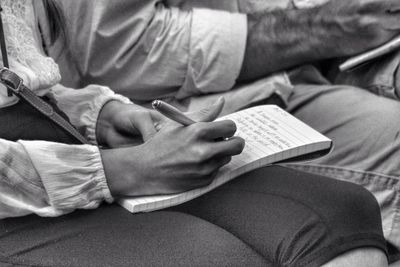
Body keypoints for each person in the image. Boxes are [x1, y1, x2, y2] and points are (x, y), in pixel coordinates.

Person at [0, 0, 393, 266]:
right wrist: (117, 170)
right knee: (217, 257)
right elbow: (117, 47)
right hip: (23, 182)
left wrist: (101, 114)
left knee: (342, 210)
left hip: (59, 131)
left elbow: (26, 76)